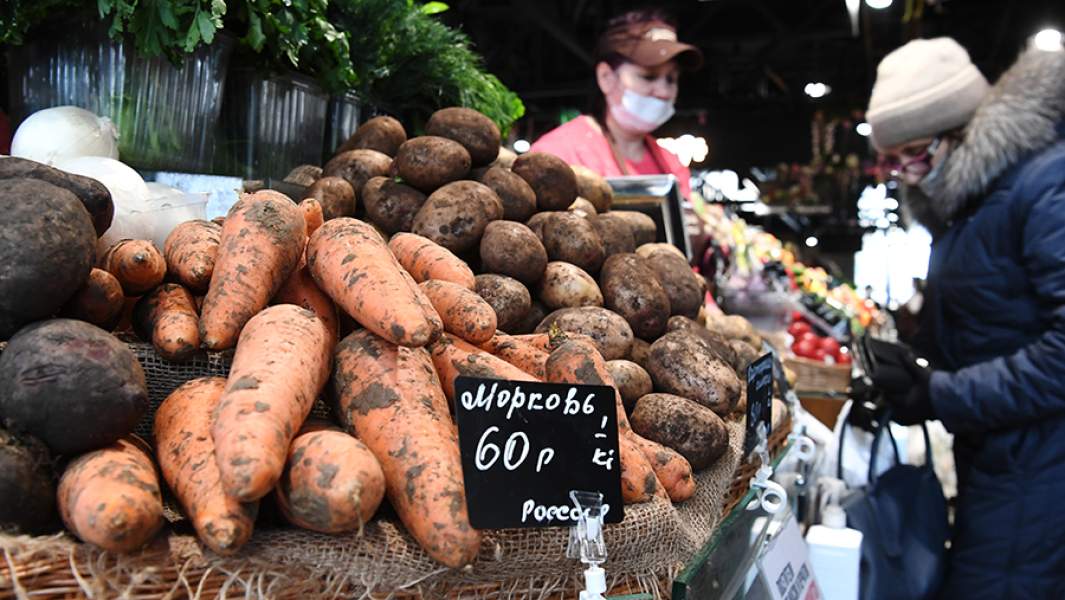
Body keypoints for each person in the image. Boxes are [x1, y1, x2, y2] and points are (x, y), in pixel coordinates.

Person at [866, 37, 1065, 598]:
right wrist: (918, 362)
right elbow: (995, 316)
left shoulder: (1045, 187)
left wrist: (942, 393)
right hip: (1002, 459)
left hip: (1040, 472)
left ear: (965, 130)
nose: (908, 173)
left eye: (918, 153)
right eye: (895, 159)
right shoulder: (978, 199)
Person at [530, 9, 702, 198]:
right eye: (648, 77)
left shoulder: (672, 165)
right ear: (606, 77)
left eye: (671, 79)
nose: (664, 91)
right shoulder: (559, 153)